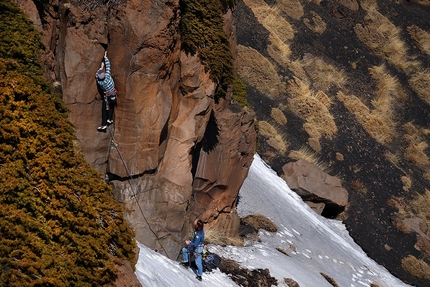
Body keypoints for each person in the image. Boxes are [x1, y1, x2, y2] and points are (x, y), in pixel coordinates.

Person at [96, 51, 117, 132]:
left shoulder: (100, 82)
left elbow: (96, 75)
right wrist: (105, 57)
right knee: (111, 106)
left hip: (107, 96)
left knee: (104, 109)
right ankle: (109, 119)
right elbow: (108, 66)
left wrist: (100, 68)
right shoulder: (108, 76)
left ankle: (104, 124)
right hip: (113, 93)